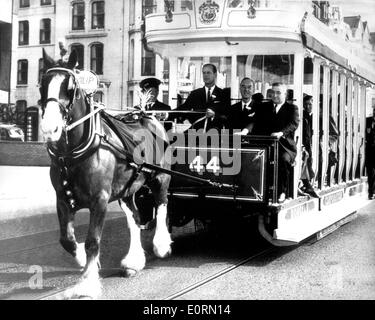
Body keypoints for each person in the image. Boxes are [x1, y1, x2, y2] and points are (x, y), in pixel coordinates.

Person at [269, 82, 300, 203]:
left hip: (286, 146)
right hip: (269, 145)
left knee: (283, 160)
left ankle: (282, 191)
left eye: (278, 92)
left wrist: (281, 133)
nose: (275, 95)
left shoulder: (292, 108)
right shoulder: (265, 107)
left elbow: (293, 124)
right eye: (273, 92)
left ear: (285, 94)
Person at [178, 63, 229, 130]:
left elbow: (227, 116)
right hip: (196, 131)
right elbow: (184, 108)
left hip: (215, 133)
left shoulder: (223, 94)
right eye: (204, 73)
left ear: (215, 74)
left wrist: (214, 115)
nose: (206, 75)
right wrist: (167, 114)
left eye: (208, 73)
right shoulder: (195, 94)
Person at [300, 95, 319, 197]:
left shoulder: (317, 117)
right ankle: (308, 186)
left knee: (310, 164)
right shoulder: (303, 116)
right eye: (306, 104)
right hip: (305, 144)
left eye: (310, 104)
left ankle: (309, 185)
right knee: (306, 164)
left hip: (313, 145)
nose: (307, 107)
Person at [365, 108, 375, 199]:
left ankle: (373, 191)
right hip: (369, 151)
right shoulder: (368, 120)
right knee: (370, 172)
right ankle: (370, 192)